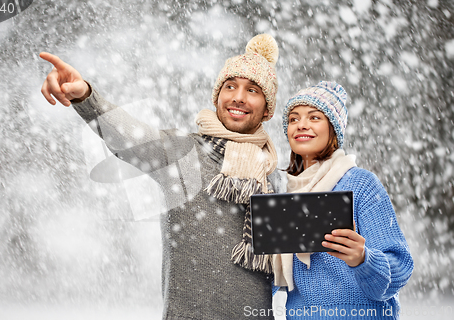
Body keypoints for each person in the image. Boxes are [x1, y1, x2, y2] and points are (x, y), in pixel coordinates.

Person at [40, 34, 281, 319]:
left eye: (252, 90)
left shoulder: (272, 177)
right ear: (218, 97)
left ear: (267, 110)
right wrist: (85, 96)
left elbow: (299, 268)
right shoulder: (186, 154)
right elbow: (127, 136)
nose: (238, 97)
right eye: (231, 86)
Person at [272, 81, 414, 319]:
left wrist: (363, 259)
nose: (301, 125)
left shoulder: (360, 185)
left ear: (333, 129)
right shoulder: (280, 191)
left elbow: (400, 268)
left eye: (314, 117)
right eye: (293, 119)